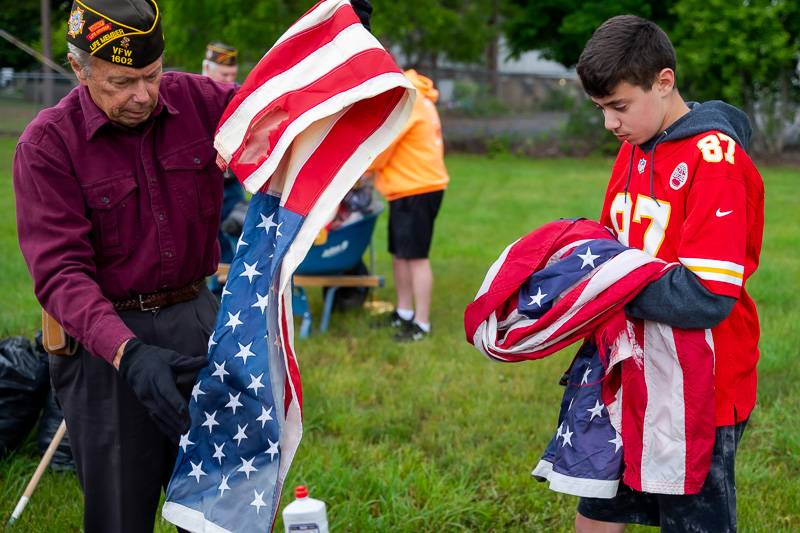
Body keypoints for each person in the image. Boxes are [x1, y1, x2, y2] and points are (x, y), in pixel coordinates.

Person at [12, 1, 372, 531]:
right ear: (79, 69)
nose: (141, 95)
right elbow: (61, 275)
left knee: (219, 508)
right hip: (107, 344)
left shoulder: (199, 101)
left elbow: (283, 112)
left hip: (199, 321)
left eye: (151, 76)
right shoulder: (48, 145)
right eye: (120, 82)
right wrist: (129, 356)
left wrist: (340, 42)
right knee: (119, 510)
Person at [573, 15, 764, 532]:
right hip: (632, 364)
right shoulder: (634, 146)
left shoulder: (714, 158)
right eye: (601, 110)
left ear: (663, 81)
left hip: (703, 379)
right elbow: (611, 246)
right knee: (596, 500)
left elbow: (707, 295)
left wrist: (605, 291)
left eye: (619, 106)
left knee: (691, 520)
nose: (611, 124)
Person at [368, 69, 449, 342]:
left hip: (417, 189)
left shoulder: (408, 101)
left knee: (415, 257)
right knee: (400, 253)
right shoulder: (414, 96)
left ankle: (421, 324)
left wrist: (355, 170)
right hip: (406, 188)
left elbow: (382, 148)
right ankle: (404, 312)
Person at [200, 41, 247, 270]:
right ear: (206, 70)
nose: (230, 82)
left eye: (233, 75)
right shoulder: (190, 99)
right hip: (198, 184)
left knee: (232, 241)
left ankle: (223, 297)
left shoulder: (237, 99)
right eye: (224, 75)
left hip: (230, 185)